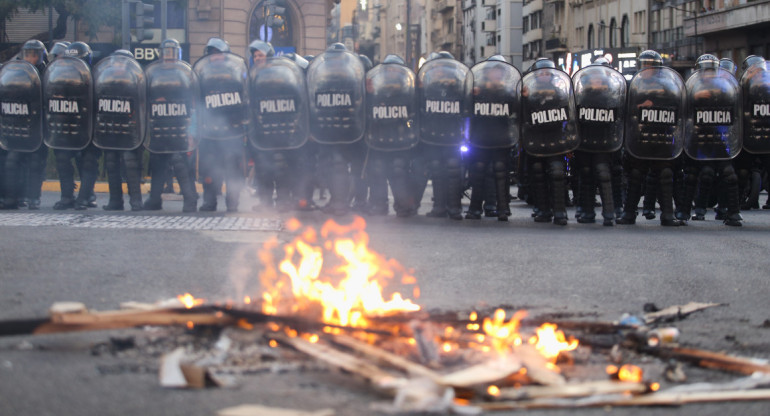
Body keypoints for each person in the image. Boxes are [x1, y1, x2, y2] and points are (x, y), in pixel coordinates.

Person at [617, 50, 686, 226]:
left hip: (662, 137)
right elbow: (624, 109)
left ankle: (668, 215)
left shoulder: (668, 87)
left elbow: (677, 110)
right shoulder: (632, 85)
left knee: (665, 173)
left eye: (650, 66)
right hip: (639, 137)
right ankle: (628, 213)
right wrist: (640, 107)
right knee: (636, 174)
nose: (648, 69)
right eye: (645, 66)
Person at [143, 38, 199, 212]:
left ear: (178, 54)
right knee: (158, 163)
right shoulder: (153, 73)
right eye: (166, 53)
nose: (169, 57)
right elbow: (145, 95)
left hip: (178, 124)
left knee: (180, 163)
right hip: (159, 123)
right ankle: (154, 200)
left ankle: (190, 201)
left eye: (172, 53)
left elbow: (192, 99)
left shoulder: (184, 73)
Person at [521, 58, 577, 225]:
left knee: (558, 172)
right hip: (536, 139)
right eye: (541, 73)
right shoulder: (528, 94)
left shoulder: (560, 93)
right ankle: (543, 209)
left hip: (555, 139)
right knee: (538, 173)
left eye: (548, 73)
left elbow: (569, 114)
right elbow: (521, 116)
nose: (545, 75)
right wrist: (523, 98)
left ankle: (560, 211)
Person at [195, 37, 247, 212]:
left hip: (233, 133)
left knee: (233, 171)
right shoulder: (202, 76)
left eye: (218, 53)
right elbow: (196, 103)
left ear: (225, 55)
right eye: (212, 54)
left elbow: (245, 101)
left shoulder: (236, 74)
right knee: (209, 171)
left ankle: (233, 203)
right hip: (210, 135)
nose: (215, 57)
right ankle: (209, 202)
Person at [572, 58, 626, 226]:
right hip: (585, 141)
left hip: (604, 141)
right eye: (594, 78)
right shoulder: (580, 95)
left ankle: (609, 212)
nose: (597, 81)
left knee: (604, 174)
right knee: (587, 175)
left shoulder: (612, 95)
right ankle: (587, 212)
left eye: (599, 78)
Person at [466, 55, 519, 221]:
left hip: (501, 138)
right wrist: (471, 94)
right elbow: (466, 109)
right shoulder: (477, 90)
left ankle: (502, 209)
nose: (496, 75)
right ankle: (474, 209)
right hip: (480, 138)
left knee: (500, 170)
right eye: (494, 72)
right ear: (487, 73)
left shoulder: (508, 93)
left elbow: (516, 112)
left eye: (499, 73)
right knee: (479, 170)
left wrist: (521, 96)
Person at [48, 41, 101, 210]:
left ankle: (85, 197)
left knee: (88, 161)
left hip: (89, 129)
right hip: (67, 127)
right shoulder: (60, 78)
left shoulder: (96, 76)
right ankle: (66, 197)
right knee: (62, 159)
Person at [93, 49, 145, 211]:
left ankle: (136, 201)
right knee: (111, 165)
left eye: (121, 62)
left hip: (129, 131)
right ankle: (115, 201)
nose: (117, 65)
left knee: (130, 164)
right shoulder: (105, 80)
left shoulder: (136, 81)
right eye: (115, 62)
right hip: (110, 130)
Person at [3, 40, 48, 210]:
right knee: (12, 161)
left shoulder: (47, 72)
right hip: (19, 124)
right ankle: (12, 197)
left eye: (34, 54)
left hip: (38, 126)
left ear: (41, 55)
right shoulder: (17, 71)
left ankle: (34, 198)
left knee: (36, 163)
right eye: (28, 54)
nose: (31, 58)